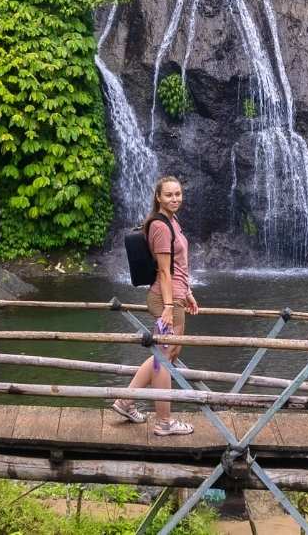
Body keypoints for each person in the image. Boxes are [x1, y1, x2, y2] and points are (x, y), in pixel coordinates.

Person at [112, 176, 199, 436]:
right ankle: (164, 421)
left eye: (178, 194)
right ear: (158, 197)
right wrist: (169, 306)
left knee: (167, 355)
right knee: (164, 358)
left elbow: (179, 265)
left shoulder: (173, 221)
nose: (175, 198)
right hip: (165, 299)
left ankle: (125, 401)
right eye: (169, 195)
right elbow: (164, 271)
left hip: (176, 296)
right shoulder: (160, 226)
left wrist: (188, 292)